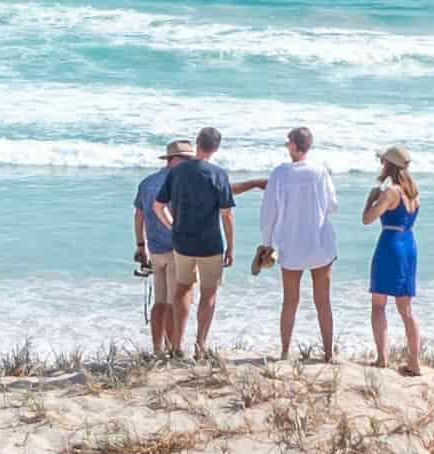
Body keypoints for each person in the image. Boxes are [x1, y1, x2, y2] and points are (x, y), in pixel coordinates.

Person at [152, 128, 241, 359]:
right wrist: (231, 246)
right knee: (208, 294)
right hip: (210, 243)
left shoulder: (178, 172)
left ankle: (177, 346)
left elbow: (157, 206)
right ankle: (200, 346)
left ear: (197, 144)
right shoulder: (218, 174)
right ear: (216, 148)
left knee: (182, 290)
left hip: (182, 243)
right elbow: (226, 214)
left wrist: (172, 225)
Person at [253, 125, 338, 362]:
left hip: (291, 245)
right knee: (323, 301)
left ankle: (284, 352)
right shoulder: (321, 171)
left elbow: (268, 213)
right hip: (320, 243)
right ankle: (328, 353)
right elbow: (333, 206)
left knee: (290, 301)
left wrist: (266, 243)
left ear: (293, 145)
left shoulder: (280, 173)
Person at [362, 147, 424, 374]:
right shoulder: (413, 192)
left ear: (389, 165)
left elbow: (367, 219)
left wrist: (370, 200)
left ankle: (382, 358)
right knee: (406, 309)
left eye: (383, 162)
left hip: (391, 244)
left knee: (379, 304)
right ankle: (414, 361)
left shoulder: (391, 192)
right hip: (409, 244)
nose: (381, 165)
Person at [134, 136, 190, 353]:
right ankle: (173, 347)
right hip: (176, 249)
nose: (189, 163)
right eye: (186, 159)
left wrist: (141, 245)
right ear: (174, 160)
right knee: (174, 303)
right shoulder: (180, 183)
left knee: (159, 302)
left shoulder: (147, 182)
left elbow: (139, 216)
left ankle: (158, 348)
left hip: (155, 250)